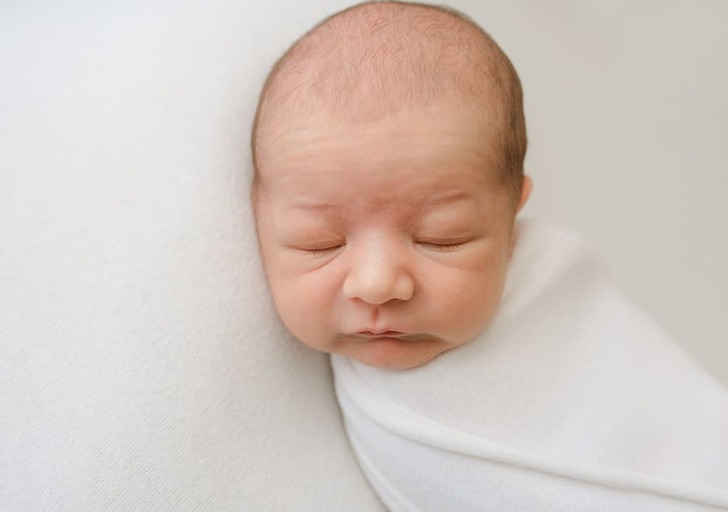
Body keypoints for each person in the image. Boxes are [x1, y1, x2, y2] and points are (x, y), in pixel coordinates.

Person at [251, 2, 728, 510]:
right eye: (319, 243)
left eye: (442, 238)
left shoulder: (561, 304)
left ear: (510, 218)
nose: (377, 283)